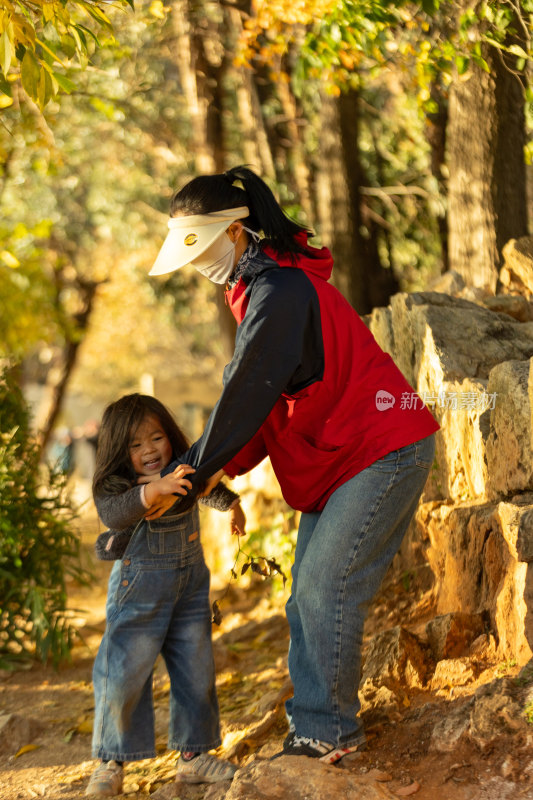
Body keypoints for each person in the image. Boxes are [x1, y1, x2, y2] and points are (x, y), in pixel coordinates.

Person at [147, 165, 440, 764]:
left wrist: (197, 469)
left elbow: (247, 393)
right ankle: (318, 728)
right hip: (340, 456)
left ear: (234, 234)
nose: (198, 265)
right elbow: (267, 405)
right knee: (304, 597)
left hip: (383, 447)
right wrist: (215, 473)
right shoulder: (257, 292)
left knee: (325, 586)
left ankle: (326, 734)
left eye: (202, 248)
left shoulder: (279, 293)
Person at [85, 393, 245, 797]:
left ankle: (193, 756)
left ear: (169, 435)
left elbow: (201, 487)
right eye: (135, 446)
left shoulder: (180, 468)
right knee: (123, 672)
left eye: (155, 438)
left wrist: (232, 504)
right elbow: (113, 514)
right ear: (120, 453)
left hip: (189, 587)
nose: (149, 450)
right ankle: (110, 761)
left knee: (196, 669)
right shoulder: (119, 487)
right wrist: (153, 491)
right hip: (139, 589)